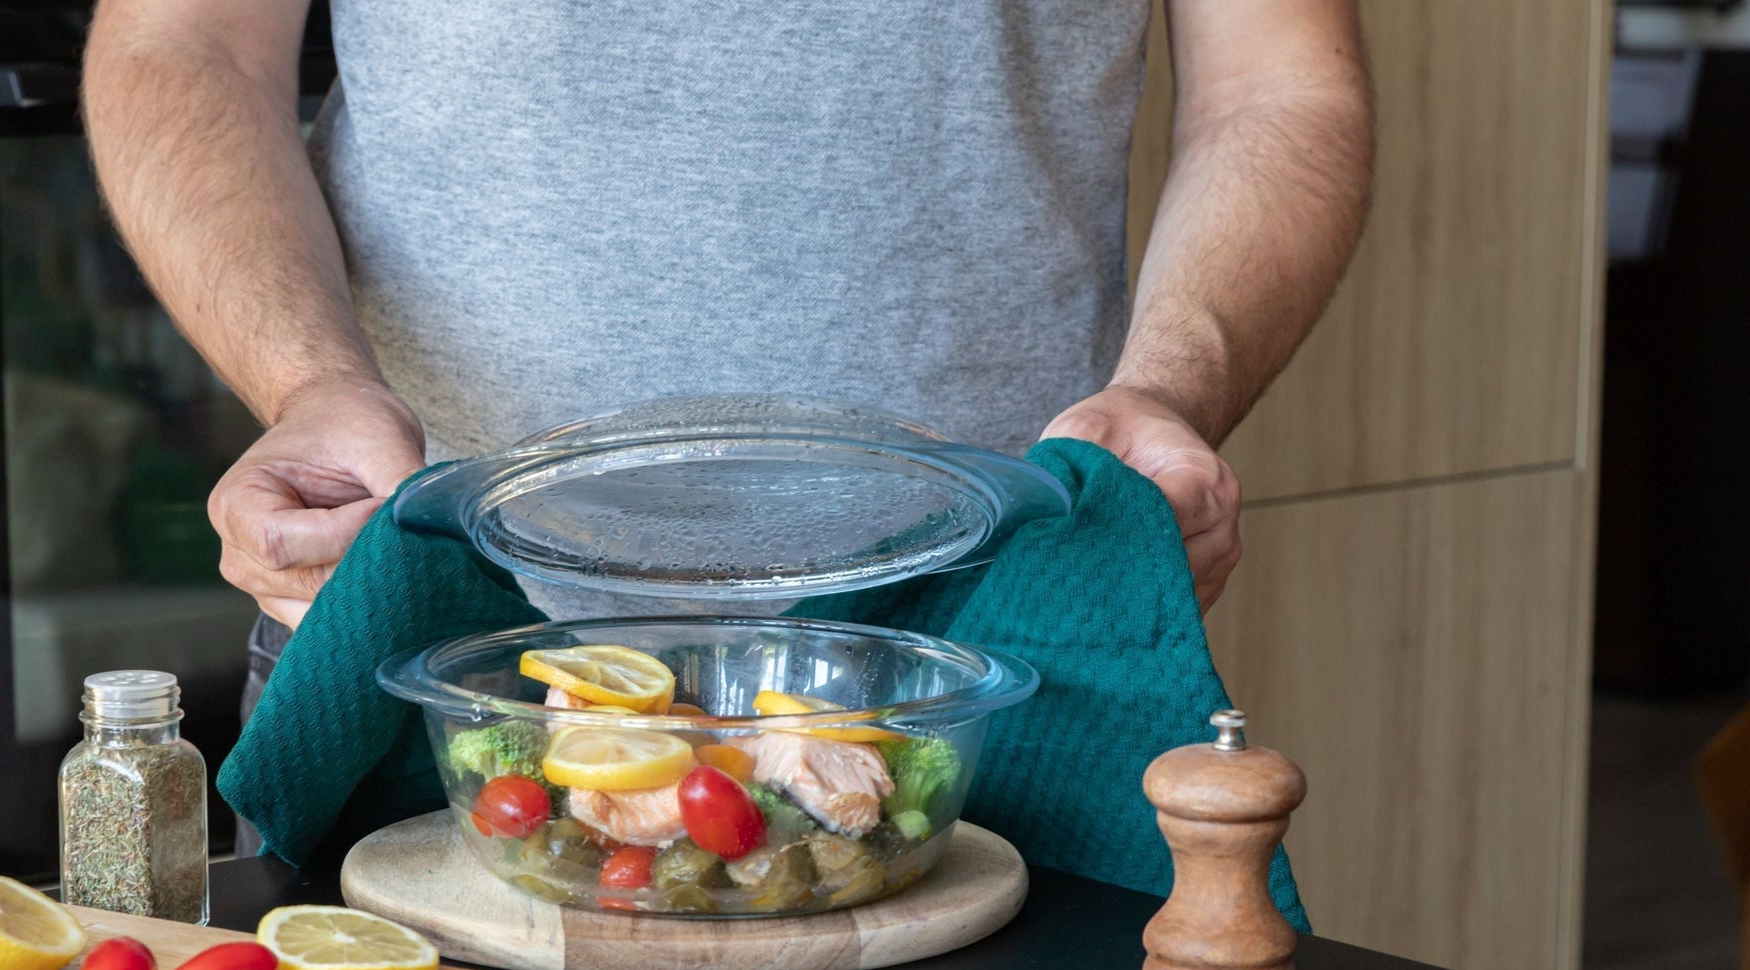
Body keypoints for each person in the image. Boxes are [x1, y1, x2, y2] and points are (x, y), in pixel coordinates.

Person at [84, 0, 1371, 681]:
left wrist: (1169, 385)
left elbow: (1278, 85)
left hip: (1000, 634)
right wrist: (306, 384)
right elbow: (181, 41)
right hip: (419, 617)